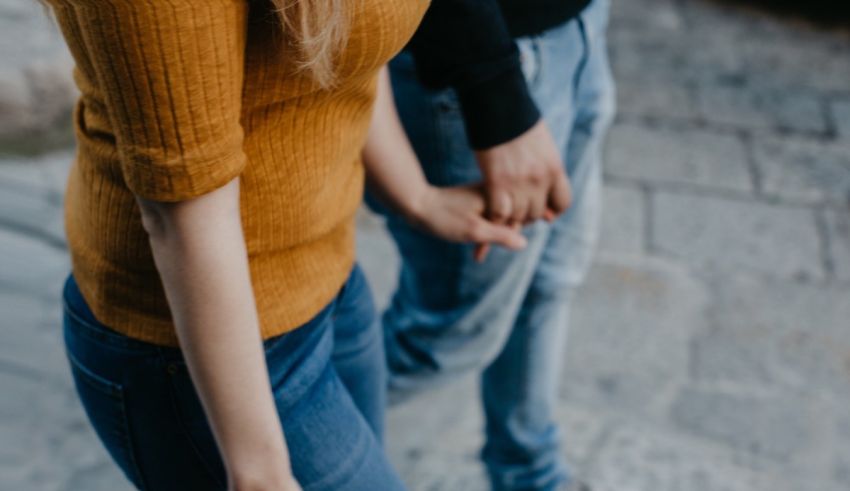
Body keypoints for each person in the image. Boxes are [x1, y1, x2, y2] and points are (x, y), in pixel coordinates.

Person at [47, 0, 528, 489]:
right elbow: (183, 210)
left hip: (330, 276)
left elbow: (345, 38)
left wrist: (416, 195)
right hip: (196, 337)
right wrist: (261, 474)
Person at [367, 0, 616, 489]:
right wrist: (491, 87)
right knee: (445, 336)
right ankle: (256, 425)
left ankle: (531, 473)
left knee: (546, 282)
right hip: (479, 58)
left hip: (579, 27)